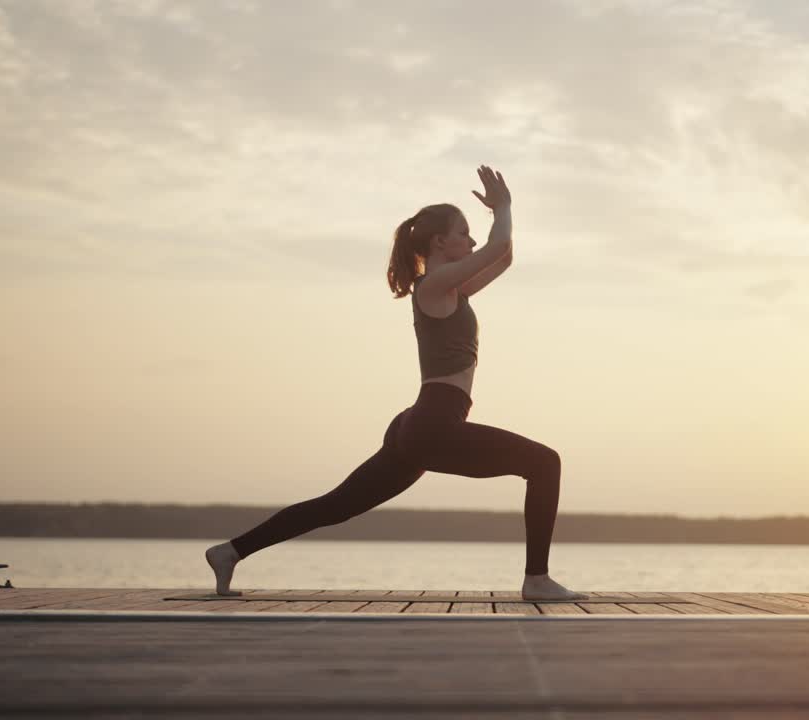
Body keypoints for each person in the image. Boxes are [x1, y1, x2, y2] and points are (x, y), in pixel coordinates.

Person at [205, 165, 587, 601]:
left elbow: (505, 254)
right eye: (465, 233)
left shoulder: (451, 292)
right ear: (440, 242)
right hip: (434, 423)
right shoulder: (434, 285)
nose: (473, 240)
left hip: (420, 424)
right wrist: (504, 207)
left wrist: (502, 215)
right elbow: (498, 245)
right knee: (544, 463)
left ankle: (231, 551)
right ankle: (536, 580)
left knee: (337, 506)